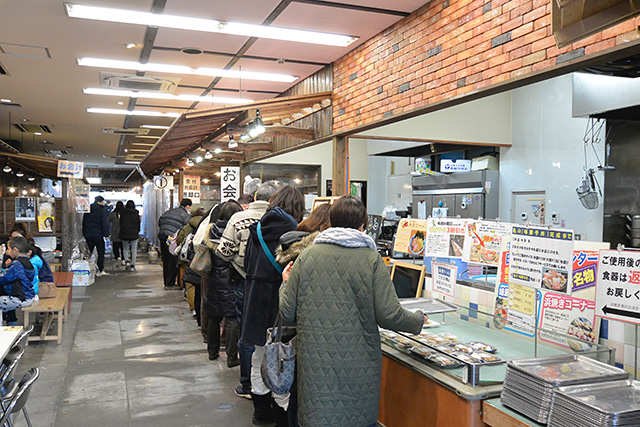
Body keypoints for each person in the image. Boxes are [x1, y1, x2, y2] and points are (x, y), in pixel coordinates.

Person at [280, 195, 426, 427]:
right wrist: (418, 321)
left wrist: (285, 283)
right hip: (359, 367)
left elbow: (287, 313)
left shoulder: (307, 257)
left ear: (331, 221)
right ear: (363, 225)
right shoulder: (371, 259)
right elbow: (389, 315)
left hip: (315, 365)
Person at [243, 185, 305, 425]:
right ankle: (281, 416)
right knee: (281, 361)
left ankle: (261, 413)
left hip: (254, 300)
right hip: (278, 304)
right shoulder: (293, 233)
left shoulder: (257, 228)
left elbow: (247, 264)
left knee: (259, 358)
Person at [215, 181, 280, 400]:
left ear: (254, 197)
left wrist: (239, 263)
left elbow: (223, 252)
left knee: (248, 332)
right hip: (273, 283)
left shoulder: (238, 218)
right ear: (273, 200)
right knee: (272, 334)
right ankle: (272, 383)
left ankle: (248, 384)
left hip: (244, 282)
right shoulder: (280, 220)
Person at [273, 203, 331, 427]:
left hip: (288, 329)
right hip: (305, 332)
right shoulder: (311, 254)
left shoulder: (292, 243)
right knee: (301, 392)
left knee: (292, 388)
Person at [204, 201, 244, 363]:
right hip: (232, 279)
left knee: (214, 317)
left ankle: (212, 352)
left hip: (214, 279)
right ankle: (232, 357)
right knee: (232, 319)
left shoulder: (211, 230)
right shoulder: (235, 230)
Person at [177, 207, 206, 321]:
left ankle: (193, 308)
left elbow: (179, 239)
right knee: (201, 287)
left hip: (187, 258)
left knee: (190, 284)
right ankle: (201, 311)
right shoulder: (206, 226)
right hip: (202, 259)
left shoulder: (187, 226)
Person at [158, 199, 192, 289]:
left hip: (163, 236)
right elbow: (186, 228)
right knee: (173, 260)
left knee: (165, 260)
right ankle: (170, 284)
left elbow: (160, 220)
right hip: (171, 238)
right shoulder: (185, 215)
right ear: (188, 206)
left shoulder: (169, 212)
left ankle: (166, 282)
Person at [0, 236, 37, 312]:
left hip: (20, 298)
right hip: (28, 296)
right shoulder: (27, 262)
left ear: (15, 250)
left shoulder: (16, 264)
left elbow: (4, 279)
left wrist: (5, 270)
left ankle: (9, 322)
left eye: (9, 249)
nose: (8, 251)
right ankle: (11, 322)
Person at [82, 195, 110, 276]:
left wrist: (84, 233)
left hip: (88, 235)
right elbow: (104, 223)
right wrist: (106, 234)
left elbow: (84, 222)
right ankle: (100, 270)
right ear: (99, 202)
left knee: (88, 253)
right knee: (101, 252)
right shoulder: (101, 210)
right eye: (102, 202)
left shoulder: (88, 209)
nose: (103, 203)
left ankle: (88, 269)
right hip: (98, 235)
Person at [120, 200, 141, 272]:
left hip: (124, 233)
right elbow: (138, 224)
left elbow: (120, 223)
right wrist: (137, 231)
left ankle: (126, 262)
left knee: (125, 248)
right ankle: (133, 265)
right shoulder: (136, 214)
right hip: (134, 233)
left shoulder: (123, 213)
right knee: (133, 249)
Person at [108, 201, 124, 266]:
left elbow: (108, 220)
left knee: (115, 247)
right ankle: (123, 259)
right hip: (123, 232)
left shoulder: (113, 213)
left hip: (114, 232)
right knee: (123, 247)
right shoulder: (124, 213)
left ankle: (117, 257)